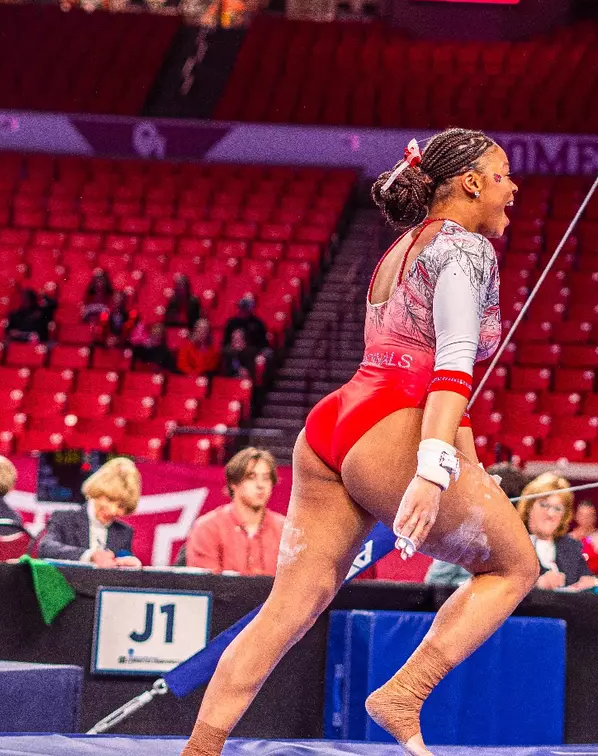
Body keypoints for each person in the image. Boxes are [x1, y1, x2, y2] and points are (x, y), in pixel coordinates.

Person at [177, 128, 531, 756]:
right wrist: (433, 467)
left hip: (338, 421)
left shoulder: (402, 247)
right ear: (472, 183)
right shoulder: (466, 248)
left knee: (288, 608)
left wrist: (464, 461)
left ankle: (199, 750)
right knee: (515, 566)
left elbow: (415, 362)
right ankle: (404, 695)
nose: (514, 188)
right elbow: (450, 364)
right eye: (503, 175)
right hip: (396, 424)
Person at [186, 448, 286, 576]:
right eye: (251, 477)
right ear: (234, 483)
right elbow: (205, 583)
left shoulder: (285, 530)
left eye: (266, 478)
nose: (260, 485)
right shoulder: (208, 528)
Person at [36, 457, 143, 568]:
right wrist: (89, 555)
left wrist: (132, 566)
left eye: (121, 506)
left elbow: (123, 563)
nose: (113, 510)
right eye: (110, 499)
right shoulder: (64, 519)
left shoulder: (124, 532)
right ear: (97, 490)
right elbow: (46, 548)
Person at [517, 472, 598, 591]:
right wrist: (537, 586)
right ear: (529, 507)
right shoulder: (513, 547)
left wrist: (589, 585)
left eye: (557, 508)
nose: (550, 514)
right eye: (544, 505)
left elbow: (587, 581)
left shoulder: (572, 547)